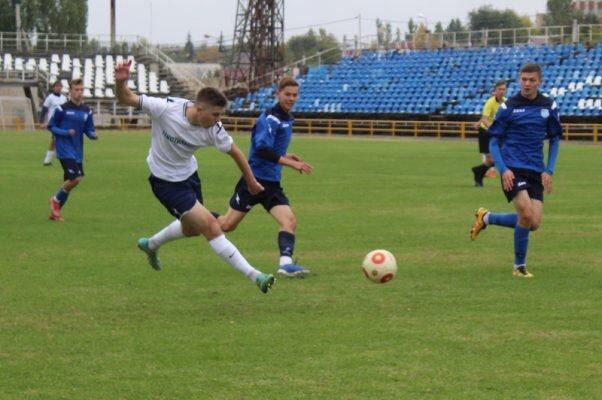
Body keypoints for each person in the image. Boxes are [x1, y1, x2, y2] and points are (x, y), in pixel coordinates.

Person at [113, 60, 275, 294]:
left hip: (189, 177)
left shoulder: (213, 129)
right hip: (165, 182)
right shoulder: (166, 109)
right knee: (211, 225)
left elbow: (236, 152)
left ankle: (151, 244)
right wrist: (121, 81)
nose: (219, 120)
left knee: (190, 229)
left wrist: (250, 181)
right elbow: (126, 98)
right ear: (199, 110)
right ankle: (256, 276)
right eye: (216, 114)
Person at [470, 63, 562, 278]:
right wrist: (503, 169)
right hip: (513, 169)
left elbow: (555, 139)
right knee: (526, 214)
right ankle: (519, 267)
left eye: (531, 80)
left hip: (536, 171)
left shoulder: (549, 106)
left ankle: (486, 218)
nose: (527, 83)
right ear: (519, 80)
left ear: (540, 81)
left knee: (534, 222)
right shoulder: (508, 107)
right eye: (524, 79)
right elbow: (494, 141)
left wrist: (549, 170)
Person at [217, 77, 313, 278]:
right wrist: (291, 163)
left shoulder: (287, 118)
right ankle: (196, 216)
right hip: (253, 182)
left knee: (289, 221)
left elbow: (271, 149)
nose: (292, 98)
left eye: (295, 95)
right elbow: (261, 149)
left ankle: (285, 265)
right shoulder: (270, 118)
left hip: (271, 185)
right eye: (288, 94)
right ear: (278, 93)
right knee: (227, 225)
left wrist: (287, 155)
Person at [48, 79, 98, 222]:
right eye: (76, 89)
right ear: (70, 91)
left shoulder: (87, 110)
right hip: (64, 149)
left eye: (81, 89)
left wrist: (92, 135)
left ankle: (55, 213)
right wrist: (65, 133)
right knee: (75, 178)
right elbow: (51, 126)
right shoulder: (61, 109)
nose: (79, 92)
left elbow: (88, 128)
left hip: (77, 151)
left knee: (69, 184)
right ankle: (55, 200)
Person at [471, 80, 507, 186]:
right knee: (492, 159)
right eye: (499, 89)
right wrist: (495, 130)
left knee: (492, 159)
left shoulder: (506, 102)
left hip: (496, 133)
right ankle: (479, 174)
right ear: (495, 91)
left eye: (503, 89)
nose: (501, 91)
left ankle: (477, 171)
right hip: (486, 132)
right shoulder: (490, 102)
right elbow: (485, 119)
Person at [40, 80, 68, 166]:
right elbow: (44, 110)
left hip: (62, 122)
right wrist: (41, 122)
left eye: (60, 86)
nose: (59, 88)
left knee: (56, 140)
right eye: (57, 86)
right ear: (53, 88)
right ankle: (49, 160)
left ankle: (48, 160)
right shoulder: (50, 97)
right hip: (53, 122)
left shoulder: (64, 98)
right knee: (56, 139)